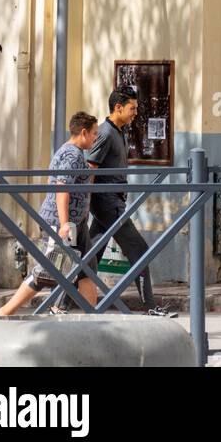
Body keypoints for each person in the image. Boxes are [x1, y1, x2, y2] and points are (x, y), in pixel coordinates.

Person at [0, 112, 99, 317]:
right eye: (94, 134)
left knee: (87, 270)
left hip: (77, 224)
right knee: (47, 272)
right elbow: (62, 188)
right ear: (83, 132)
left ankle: (92, 319)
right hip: (62, 223)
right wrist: (64, 224)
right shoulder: (72, 155)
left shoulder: (72, 153)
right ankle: (5, 311)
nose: (95, 138)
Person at [87, 87, 176, 318]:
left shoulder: (119, 130)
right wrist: (85, 202)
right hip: (108, 204)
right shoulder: (106, 133)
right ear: (118, 108)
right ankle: (151, 307)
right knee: (141, 252)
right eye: (132, 108)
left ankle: (62, 303)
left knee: (91, 256)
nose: (136, 112)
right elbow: (90, 168)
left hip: (112, 203)